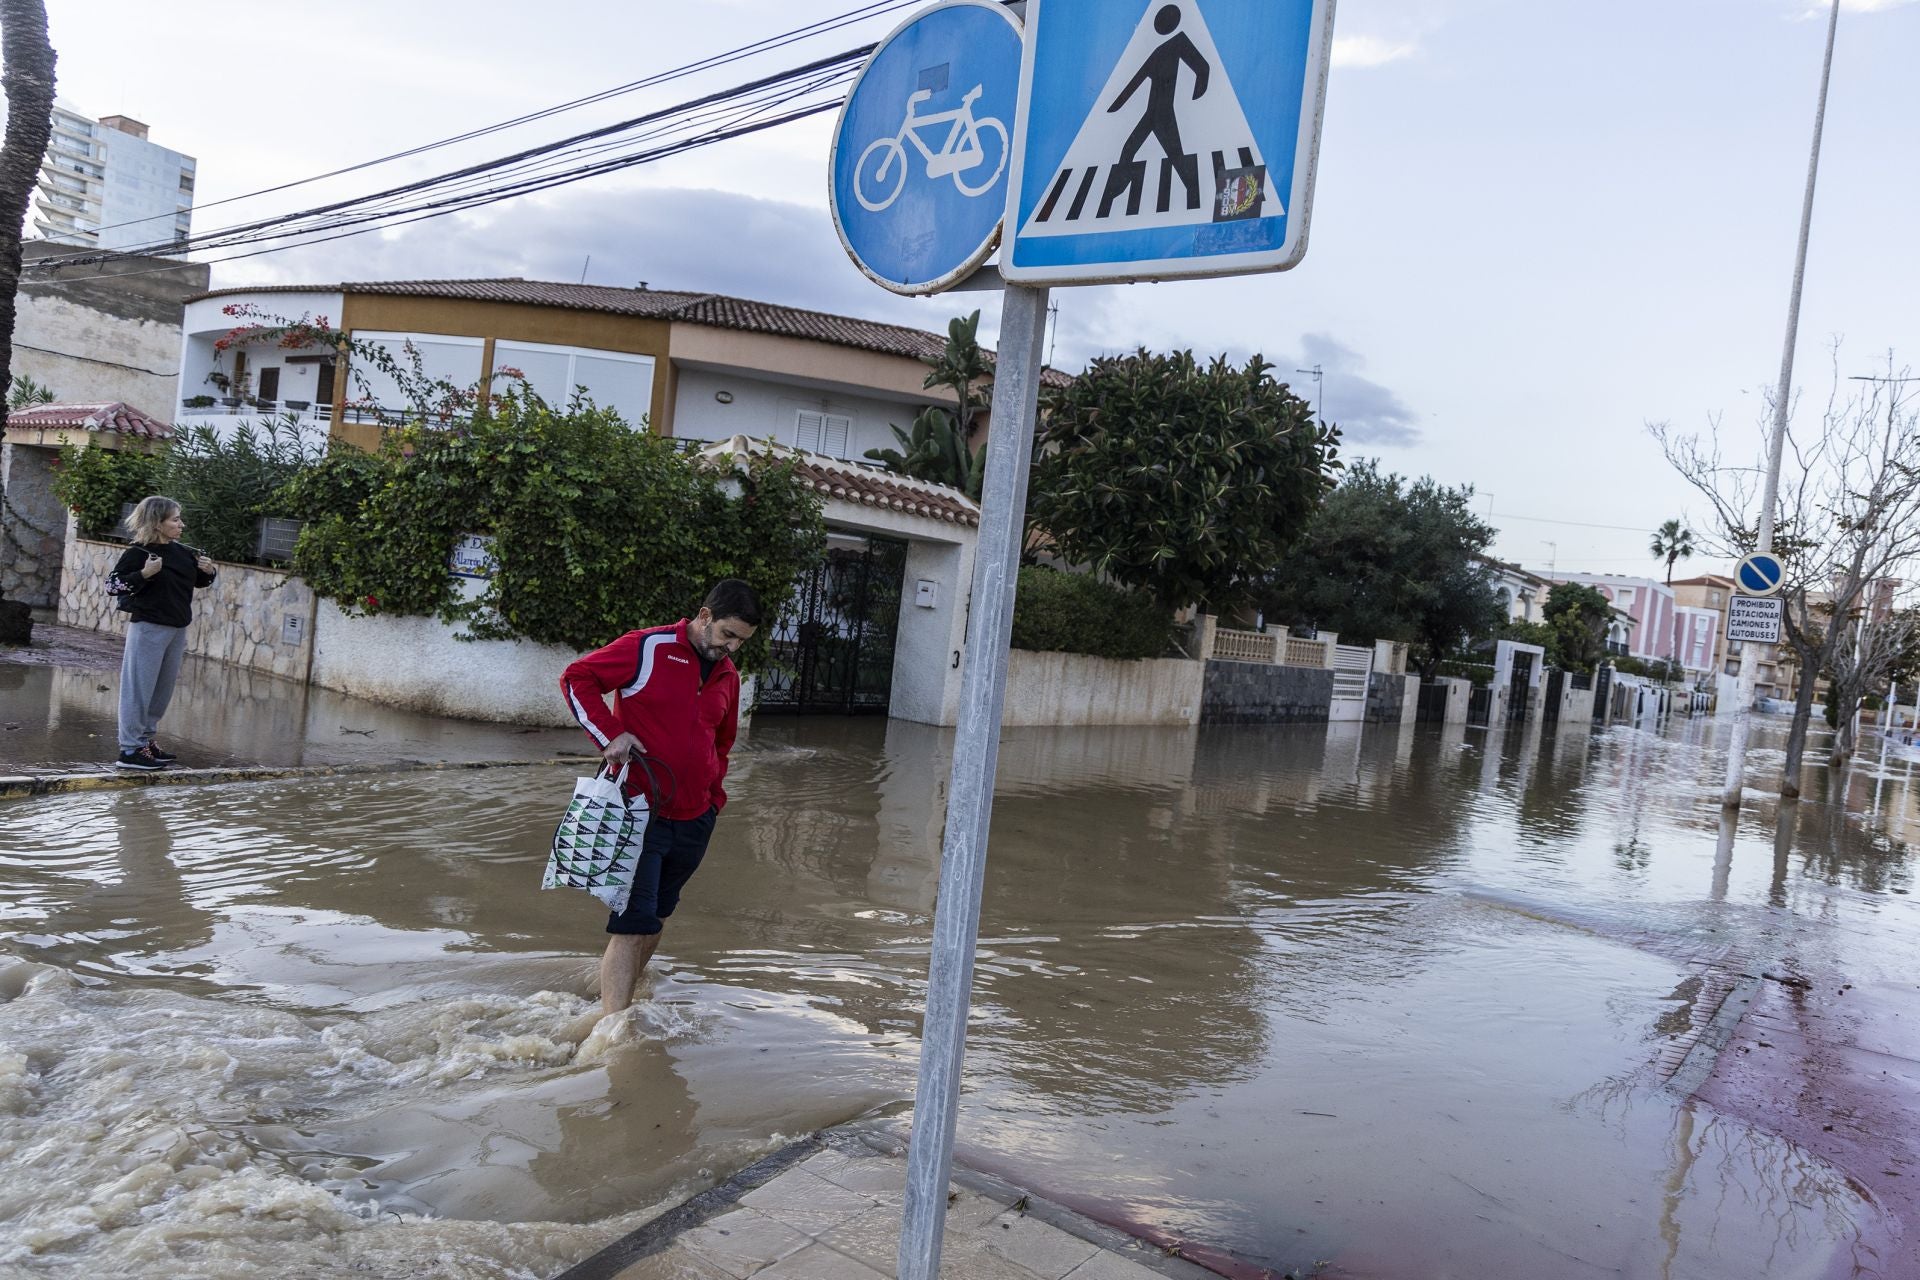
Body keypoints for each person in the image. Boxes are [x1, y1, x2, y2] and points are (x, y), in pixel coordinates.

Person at [559, 579, 761, 1016]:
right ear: (704, 616)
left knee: (657, 917)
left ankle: (611, 996)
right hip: (637, 811)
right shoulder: (646, 647)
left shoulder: (728, 675)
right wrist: (609, 735)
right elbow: (577, 678)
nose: (732, 648)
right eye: (728, 635)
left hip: (695, 818)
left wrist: (713, 800)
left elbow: (721, 744)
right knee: (633, 924)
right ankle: (613, 1032)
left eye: (741, 642)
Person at [107, 496, 217, 771]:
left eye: (179, 519)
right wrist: (144, 574)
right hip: (148, 627)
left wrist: (208, 572)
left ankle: (145, 741)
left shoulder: (181, 552)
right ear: (157, 523)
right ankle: (130, 750)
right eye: (175, 519)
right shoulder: (138, 553)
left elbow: (194, 582)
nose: (181, 524)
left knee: (161, 690)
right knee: (138, 690)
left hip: (176, 628)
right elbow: (113, 586)